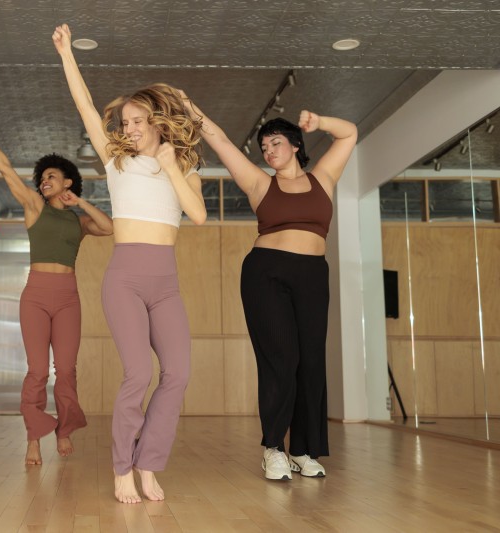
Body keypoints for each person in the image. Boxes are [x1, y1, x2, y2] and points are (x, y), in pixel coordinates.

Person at [53, 24, 207, 504]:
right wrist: (66, 55)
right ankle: (122, 466)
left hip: (165, 281)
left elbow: (198, 216)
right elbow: (83, 105)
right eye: (125, 122)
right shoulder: (115, 161)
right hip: (125, 277)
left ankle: (148, 463)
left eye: (139, 120)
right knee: (138, 372)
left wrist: (168, 161)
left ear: (158, 122)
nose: (130, 128)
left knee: (177, 373)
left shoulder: (186, 169)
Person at [180, 93, 357, 480]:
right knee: (281, 361)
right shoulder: (259, 183)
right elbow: (223, 142)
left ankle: (305, 451)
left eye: (276, 142)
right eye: (264, 146)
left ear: (296, 145)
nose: (269, 150)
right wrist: (193, 109)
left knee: (310, 362)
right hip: (267, 274)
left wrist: (320, 120)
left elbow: (349, 134)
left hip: (312, 275)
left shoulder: (323, 178)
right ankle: (273, 448)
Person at [0, 114, 113, 465]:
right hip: (36, 296)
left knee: (67, 369)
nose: (44, 181)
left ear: (68, 182)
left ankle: (64, 429)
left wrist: (82, 203)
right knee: (38, 371)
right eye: (42, 178)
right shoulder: (34, 208)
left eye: (51, 176)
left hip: (68, 298)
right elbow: (5, 169)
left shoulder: (78, 221)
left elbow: (107, 228)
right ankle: (33, 436)